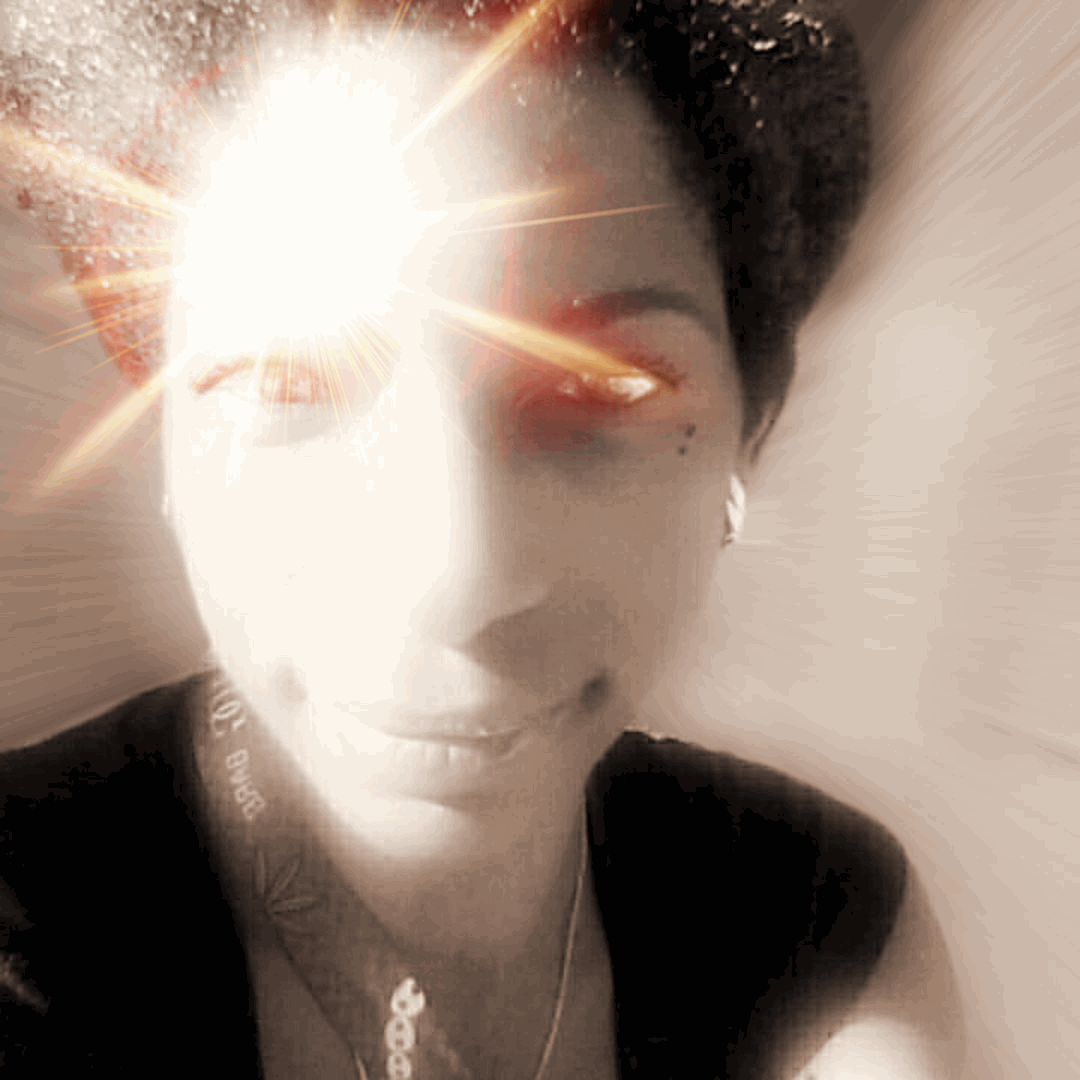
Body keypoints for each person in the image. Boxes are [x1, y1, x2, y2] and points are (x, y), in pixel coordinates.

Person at [0, 0, 918, 1076]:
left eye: (602, 388)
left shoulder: (818, 913)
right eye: (287, 380)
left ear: (746, 441)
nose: (456, 577)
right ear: (166, 445)